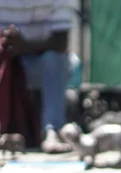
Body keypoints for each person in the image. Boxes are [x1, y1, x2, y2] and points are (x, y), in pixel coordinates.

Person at [0, 0, 73, 153]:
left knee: (54, 59)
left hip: (43, 64)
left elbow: (61, 43)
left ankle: (53, 131)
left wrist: (23, 46)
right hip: (10, 62)